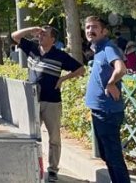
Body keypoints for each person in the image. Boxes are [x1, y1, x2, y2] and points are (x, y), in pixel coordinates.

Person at [12, 26, 86, 182]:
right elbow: (15, 36)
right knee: (31, 135)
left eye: (44, 35)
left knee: (54, 137)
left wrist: (63, 79)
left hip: (51, 101)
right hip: (33, 100)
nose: (40, 37)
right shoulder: (32, 48)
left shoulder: (59, 55)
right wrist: (32, 29)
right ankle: (33, 165)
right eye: (40, 34)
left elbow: (81, 69)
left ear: (53, 39)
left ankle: (52, 169)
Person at [84, 16, 130, 183]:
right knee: (107, 154)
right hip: (100, 111)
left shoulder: (108, 47)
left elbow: (121, 68)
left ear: (104, 31)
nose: (90, 30)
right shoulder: (98, 49)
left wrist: (111, 83)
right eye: (88, 27)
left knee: (113, 156)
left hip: (108, 111)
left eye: (94, 27)